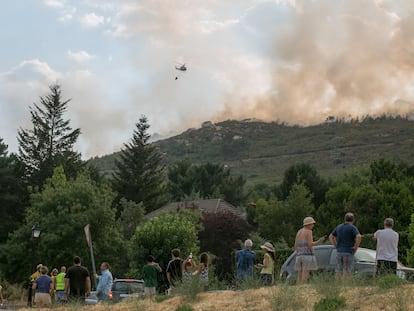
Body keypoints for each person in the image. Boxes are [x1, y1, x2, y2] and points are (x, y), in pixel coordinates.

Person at [329, 212, 362, 279]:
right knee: (346, 269)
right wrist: (356, 246)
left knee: (338, 269)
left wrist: (335, 245)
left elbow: (331, 236)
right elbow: (358, 236)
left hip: (339, 251)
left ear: (345, 219)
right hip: (348, 251)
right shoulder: (352, 228)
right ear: (353, 220)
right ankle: (345, 285)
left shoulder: (339, 227)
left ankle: (337, 285)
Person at [294, 216, 325, 284]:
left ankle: (298, 288)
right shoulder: (309, 231)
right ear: (308, 224)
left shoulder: (299, 232)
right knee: (305, 272)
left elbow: (295, 245)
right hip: (307, 255)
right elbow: (310, 244)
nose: (313, 226)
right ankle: (303, 287)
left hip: (299, 255)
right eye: (312, 224)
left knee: (299, 274)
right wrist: (319, 241)